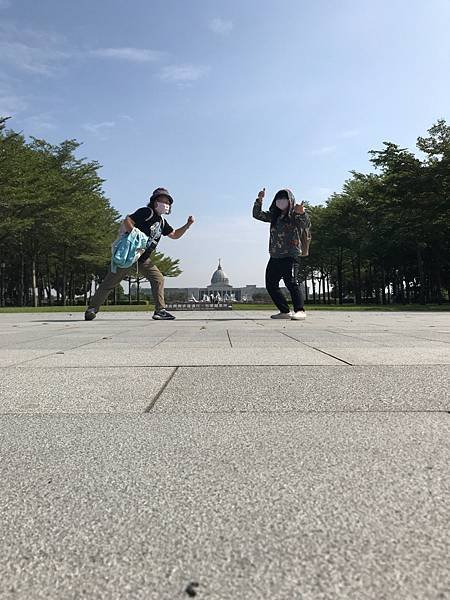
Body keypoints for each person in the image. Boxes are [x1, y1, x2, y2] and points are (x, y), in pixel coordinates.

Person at [85, 187, 194, 321]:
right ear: (154, 202)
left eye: (167, 202)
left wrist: (187, 225)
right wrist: (135, 236)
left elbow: (175, 235)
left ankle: (160, 310)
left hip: (143, 258)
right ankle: (92, 309)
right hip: (130, 254)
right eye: (162, 200)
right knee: (110, 282)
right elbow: (128, 220)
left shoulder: (162, 222)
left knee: (158, 278)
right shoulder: (146, 212)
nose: (165, 204)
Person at [253, 187, 311, 320]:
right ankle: (284, 311)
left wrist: (302, 213)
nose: (281, 201)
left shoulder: (295, 215)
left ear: (290, 200)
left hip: (291, 255)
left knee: (291, 282)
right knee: (271, 284)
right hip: (275, 255)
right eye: (279, 199)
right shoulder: (274, 216)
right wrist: (259, 200)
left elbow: (306, 224)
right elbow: (257, 215)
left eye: (284, 199)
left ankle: (300, 310)